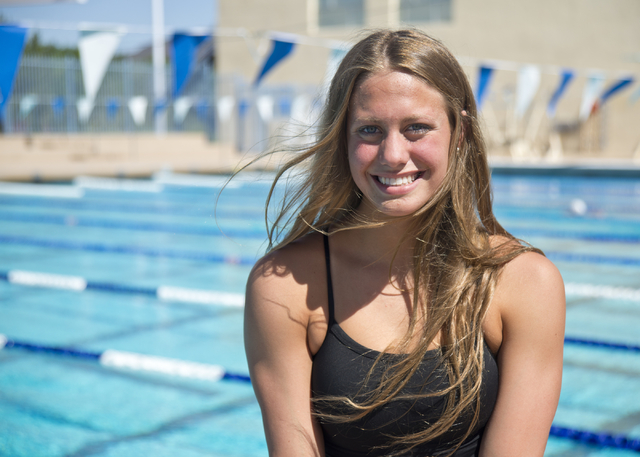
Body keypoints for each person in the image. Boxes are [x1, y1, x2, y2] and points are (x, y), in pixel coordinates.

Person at [244, 29, 565, 457]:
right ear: (342, 138)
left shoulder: (522, 283)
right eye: (370, 130)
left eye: (416, 128)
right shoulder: (286, 286)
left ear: (460, 133)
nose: (393, 154)